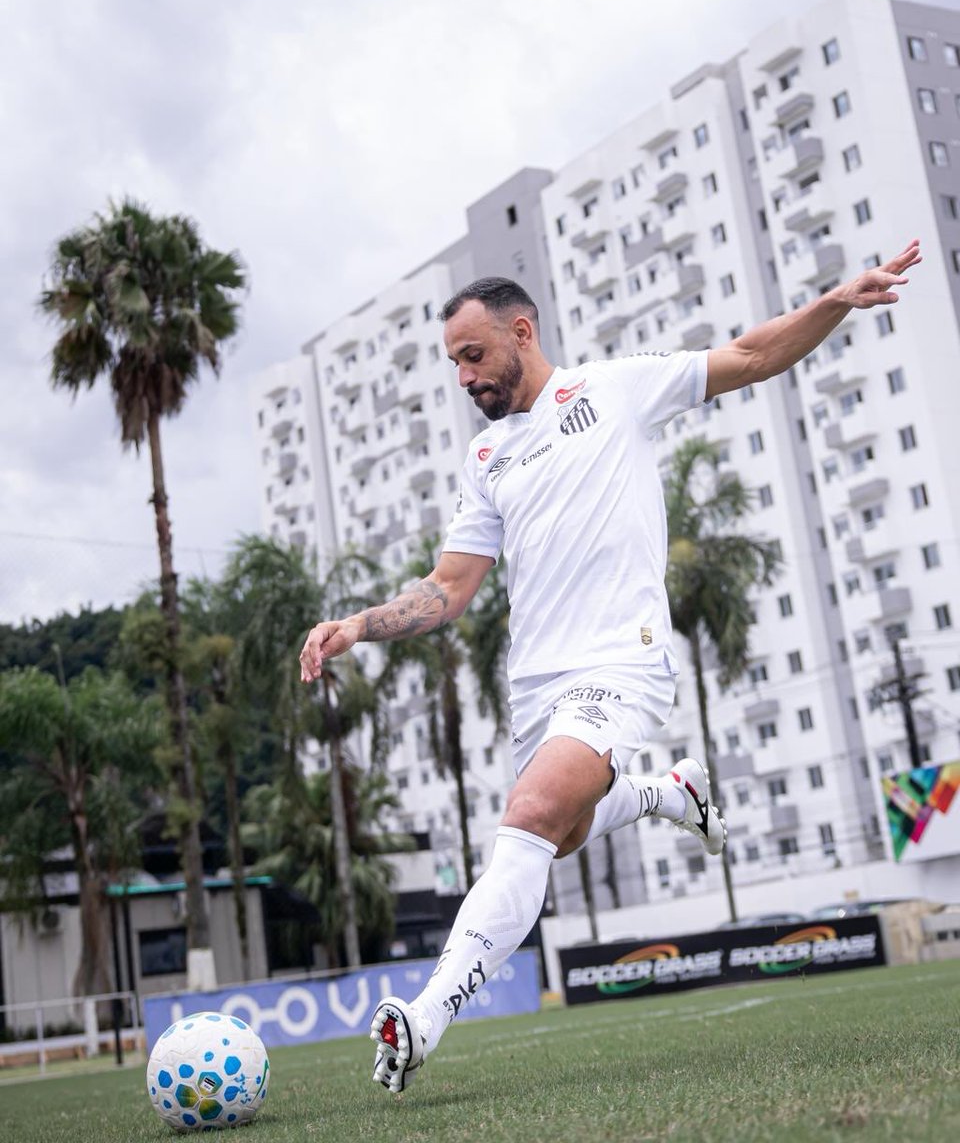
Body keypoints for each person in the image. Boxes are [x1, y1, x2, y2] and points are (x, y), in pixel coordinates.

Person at [299, 240, 921, 1092]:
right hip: (537, 687)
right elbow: (449, 588)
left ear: (523, 331)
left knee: (532, 811)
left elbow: (749, 353)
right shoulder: (485, 462)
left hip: (619, 660)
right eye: (453, 363)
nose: (463, 378)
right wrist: (359, 626)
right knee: (562, 829)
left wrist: (837, 301)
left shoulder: (613, 389)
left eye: (473, 355)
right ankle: (670, 793)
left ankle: (427, 1013)